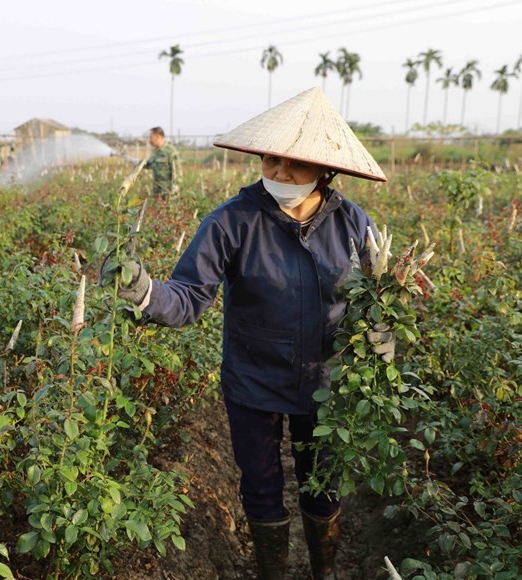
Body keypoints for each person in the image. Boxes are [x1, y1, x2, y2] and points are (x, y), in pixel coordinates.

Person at [111, 88, 393, 579]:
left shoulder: (353, 224)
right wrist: (145, 294)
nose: (279, 173)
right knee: (261, 485)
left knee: (322, 483)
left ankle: (324, 571)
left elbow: (378, 298)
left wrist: (384, 337)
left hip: (327, 381)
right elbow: (189, 295)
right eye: (270, 159)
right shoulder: (232, 222)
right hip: (253, 381)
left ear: (325, 171)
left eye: (294, 165)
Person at [144, 127, 181, 198]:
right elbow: (149, 164)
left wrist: (175, 186)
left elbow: (178, 172)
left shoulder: (171, 151)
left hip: (168, 191)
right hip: (156, 192)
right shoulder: (155, 152)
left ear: (158, 137)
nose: (149, 140)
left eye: (151, 137)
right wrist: (135, 162)